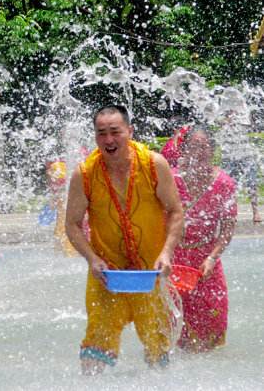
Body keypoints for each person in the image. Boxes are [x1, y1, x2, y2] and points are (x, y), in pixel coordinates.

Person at [65, 105, 184, 374]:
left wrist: (166, 253)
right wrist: (92, 258)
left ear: (129, 131)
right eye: (101, 133)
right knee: (95, 348)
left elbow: (176, 212)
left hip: (149, 273)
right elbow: (71, 225)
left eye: (115, 132)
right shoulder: (84, 174)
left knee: (158, 347)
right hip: (107, 275)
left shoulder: (153, 164)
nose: (109, 140)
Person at [173, 126, 236, 352]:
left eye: (204, 147)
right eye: (193, 147)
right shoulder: (171, 180)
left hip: (206, 262)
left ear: (212, 150)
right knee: (173, 323)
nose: (199, 152)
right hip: (174, 259)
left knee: (213, 317)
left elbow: (228, 228)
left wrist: (211, 257)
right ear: (184, 150)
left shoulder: (224, 184)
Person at [219, 112, 260, 223]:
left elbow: (252, 125)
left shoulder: (243, 116)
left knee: (252, 184)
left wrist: (241, 115)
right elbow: (218, 122)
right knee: (230, 186)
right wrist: (227, 118)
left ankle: (256, 212)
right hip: (229, 157)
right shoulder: (222, 116)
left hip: (246, 155)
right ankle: (233, 213)